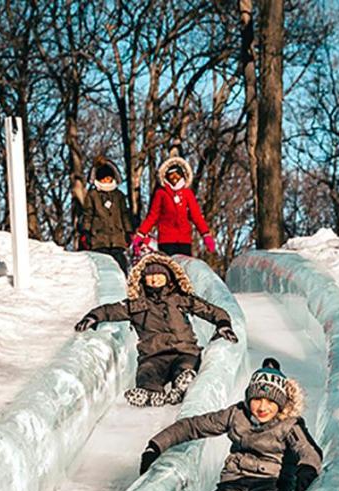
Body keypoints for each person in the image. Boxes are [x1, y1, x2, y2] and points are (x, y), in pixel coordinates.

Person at [139, 358, 323, 491]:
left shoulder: (289, 425)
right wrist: (156, 445)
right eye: (257, 399)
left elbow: (309, 452)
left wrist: (306, 472)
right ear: (248, 398)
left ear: (280, 404)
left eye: (270, 401)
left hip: (271, 483)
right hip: (235, 480)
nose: (262, 407)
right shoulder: (236, 414)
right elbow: (194, 426)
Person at [74, 252, 237, 406]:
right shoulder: (136, 304)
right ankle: (150, 393)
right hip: (153, 356)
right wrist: (93, 317)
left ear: (168, 278)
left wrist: (223, 324)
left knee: (185, 367)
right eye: (150, 277)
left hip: (184, 351)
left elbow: (210, 310)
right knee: (147, 373)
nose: (154, 280)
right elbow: (110, 310)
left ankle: (182, 385)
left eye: (158, 277)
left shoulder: (180, 299)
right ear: (143, 279)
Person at [132, 155, 216, 258]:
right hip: (166, 240)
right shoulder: (161, 193)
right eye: (171, 176)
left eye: (177, 175)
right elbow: (152, 216)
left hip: (184, 240)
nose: (174, 178)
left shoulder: (187, 194)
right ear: (166, 177)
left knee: (183, 269)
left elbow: (196, 216)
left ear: (182, 176)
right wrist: (141, 234)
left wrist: (205, 234)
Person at [77, 156, 134, 275]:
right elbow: (88, 214)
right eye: (103, 179)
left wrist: (129, 231)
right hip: (99, 238)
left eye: (108, 179)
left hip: (118, 238)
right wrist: (85, 232)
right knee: (103, 267)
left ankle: (124, 284)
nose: (106, 181)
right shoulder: (93, 195)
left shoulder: (119, 196)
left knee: (120, 264)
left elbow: (124, 214)